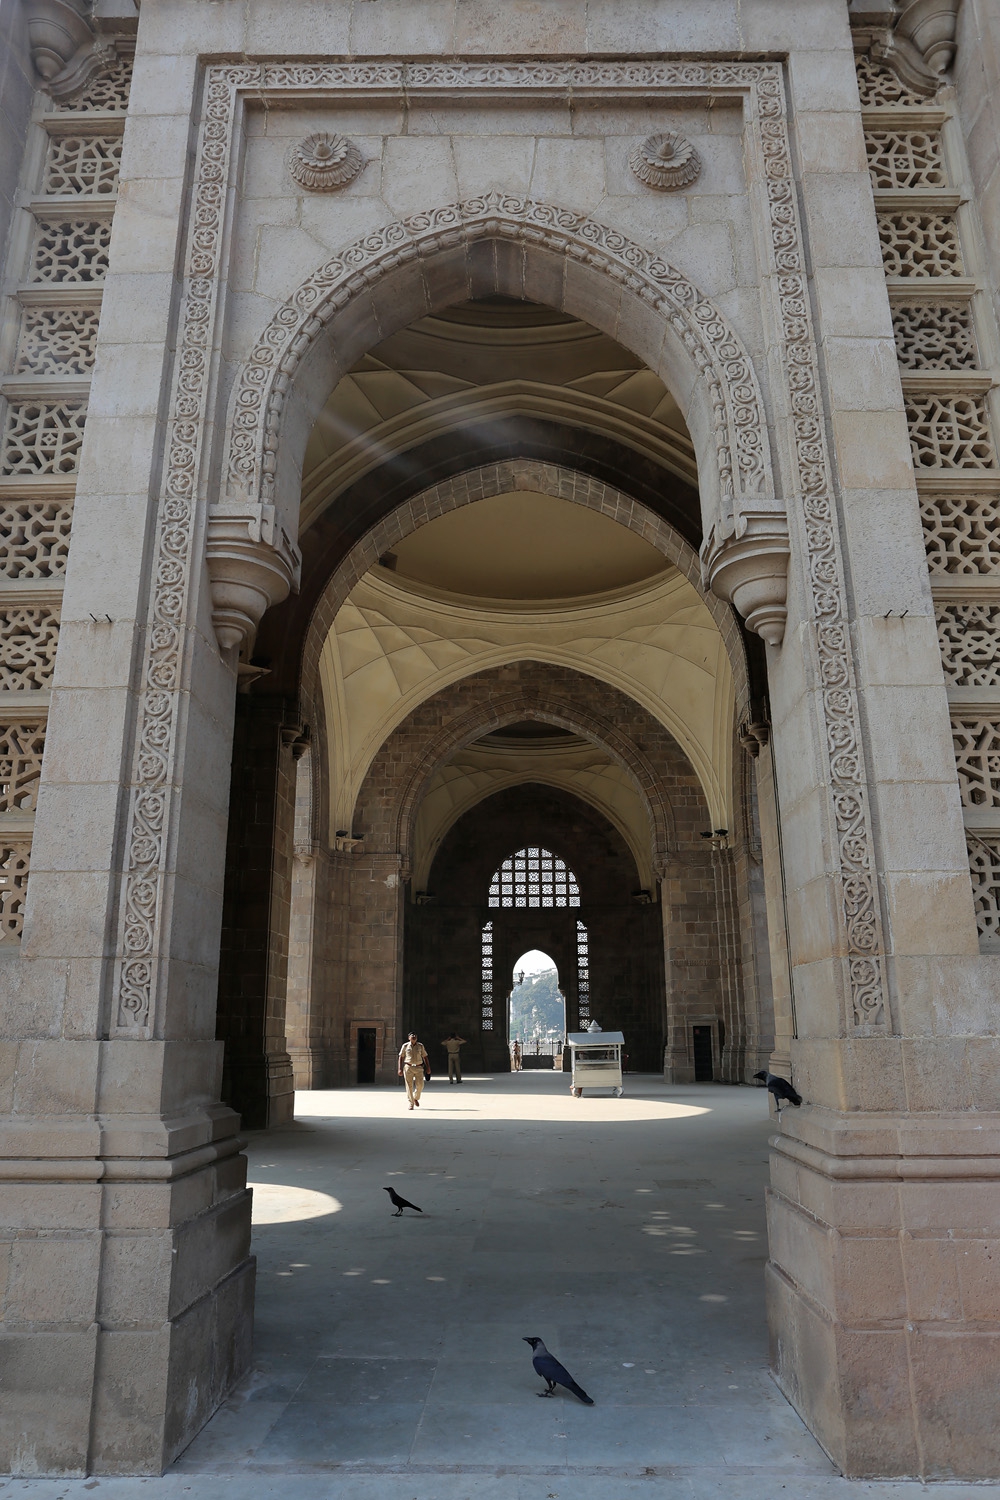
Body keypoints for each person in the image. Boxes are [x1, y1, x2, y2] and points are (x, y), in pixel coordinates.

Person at [397, 1031, 429, 1110]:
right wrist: (399, 1068)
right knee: (409, 1086)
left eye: (415, 1036)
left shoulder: (420, 1046)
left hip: (418, 1067)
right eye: (412, 1036)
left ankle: (416, 1098)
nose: (413, 1037)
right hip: (408, 1067)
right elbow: (401, 1057)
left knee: (420, 1085)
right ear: (409, 1038)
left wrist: (428, 1068)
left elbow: (425, 1057)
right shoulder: (405, 1046)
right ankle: (411, 1103)